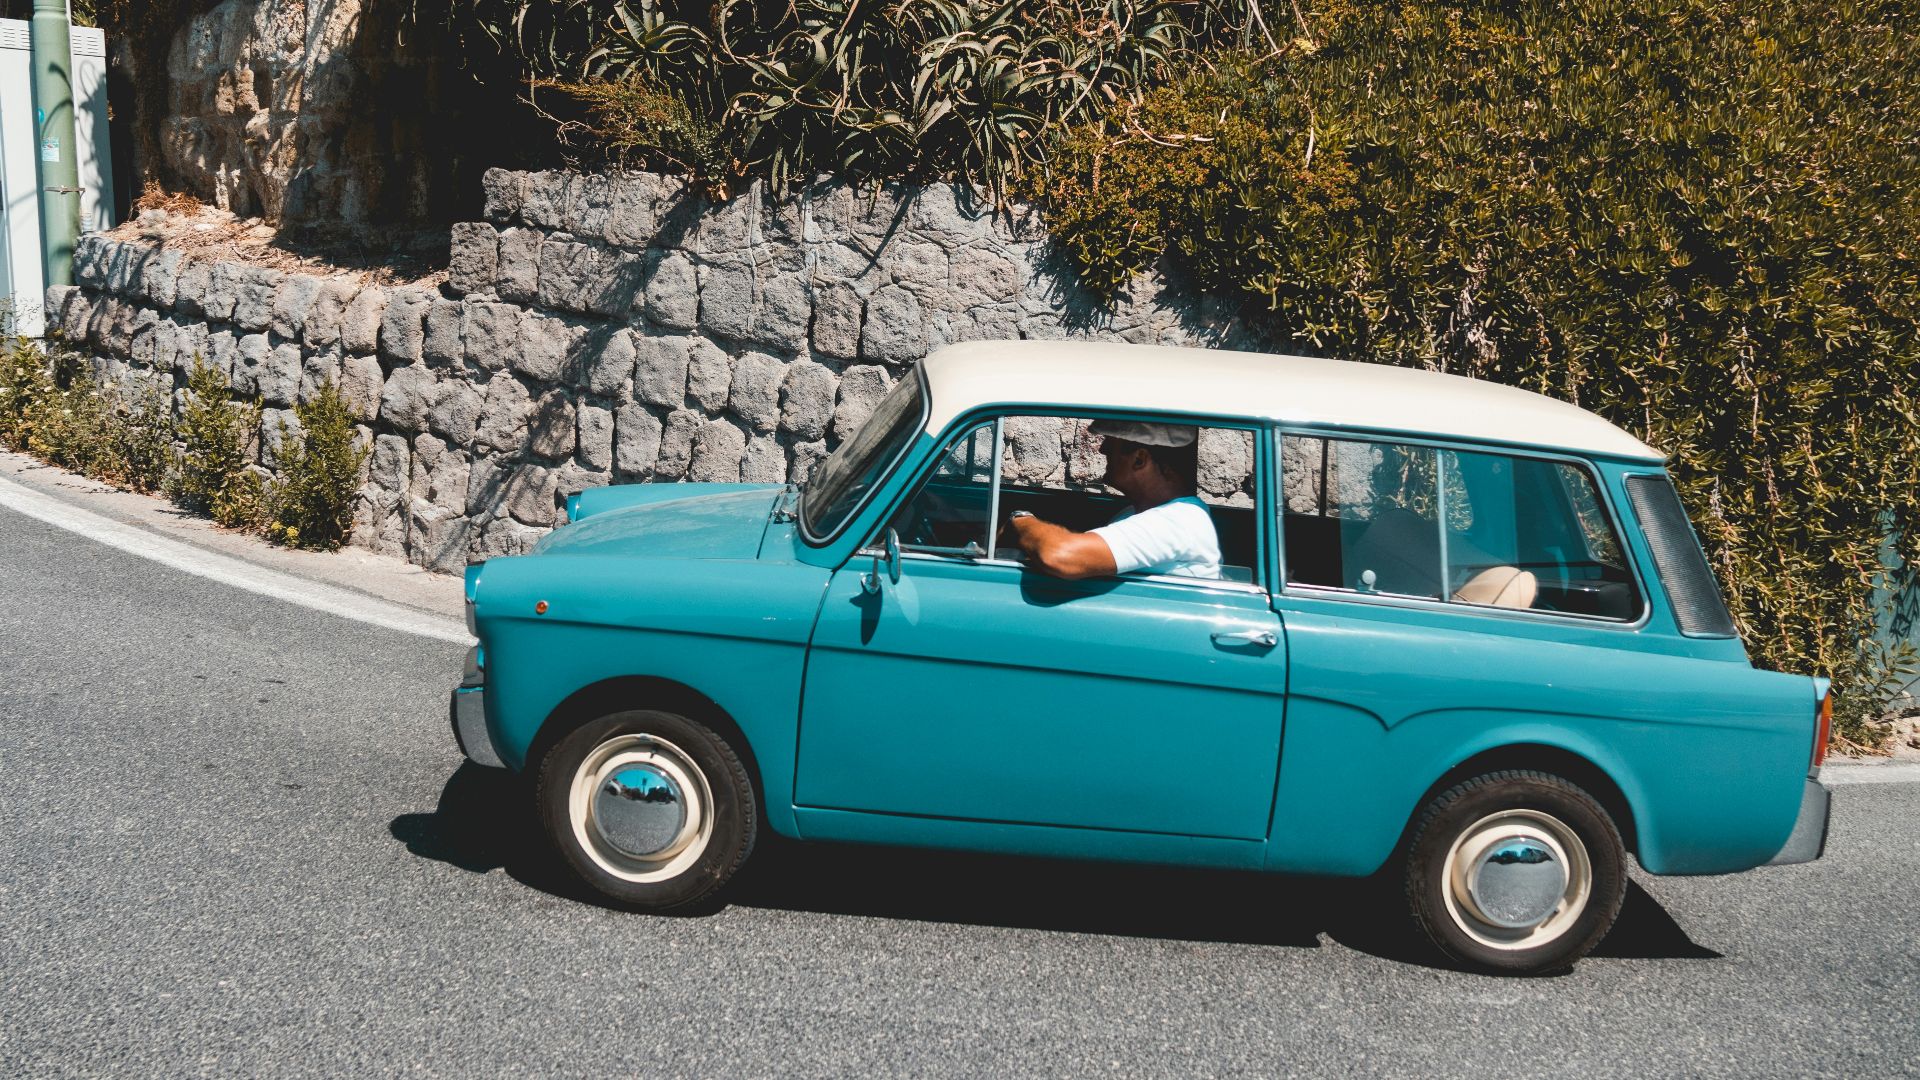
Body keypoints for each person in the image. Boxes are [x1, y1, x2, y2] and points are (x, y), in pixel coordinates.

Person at [1004, 420, 1222, 580]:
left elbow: (1060, 555)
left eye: (1112, 442)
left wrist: (1020, 520)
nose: (1102, 448)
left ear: (1139, 459)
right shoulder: (1140, 513)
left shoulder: (1178, 521)